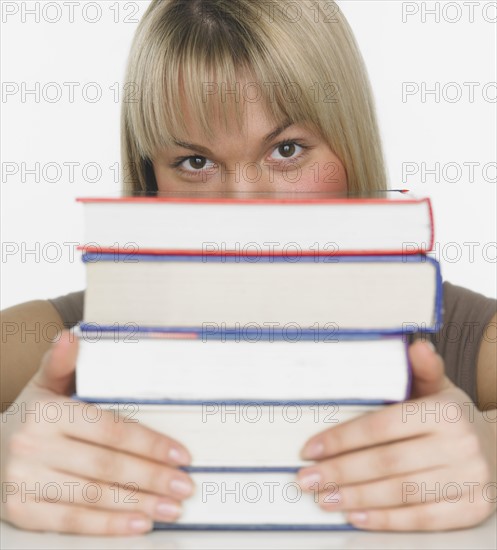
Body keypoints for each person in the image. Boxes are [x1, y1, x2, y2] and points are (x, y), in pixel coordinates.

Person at [1, 0, 496, 536]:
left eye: (286, 150)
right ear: (151, 182)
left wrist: (491, 448)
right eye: (196, 162)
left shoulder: (465, 337)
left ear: (348, 149)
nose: (244, 204)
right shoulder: (63, 340)